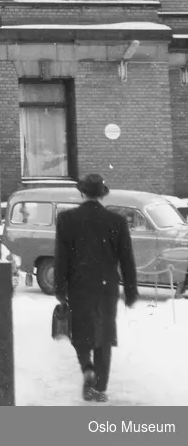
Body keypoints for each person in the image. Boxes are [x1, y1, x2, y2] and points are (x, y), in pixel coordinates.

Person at [54, 173, 139, 403]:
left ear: (82, 193)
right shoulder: (116, 221)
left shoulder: (66, 219)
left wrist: (60, 288)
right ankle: (100, 387)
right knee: (104, 334)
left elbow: (61, 258)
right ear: (102, 194)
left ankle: (87, 367)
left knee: (80, 331)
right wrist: (131, 290)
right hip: (106, 286)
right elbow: (126, 259)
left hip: (79, 284)